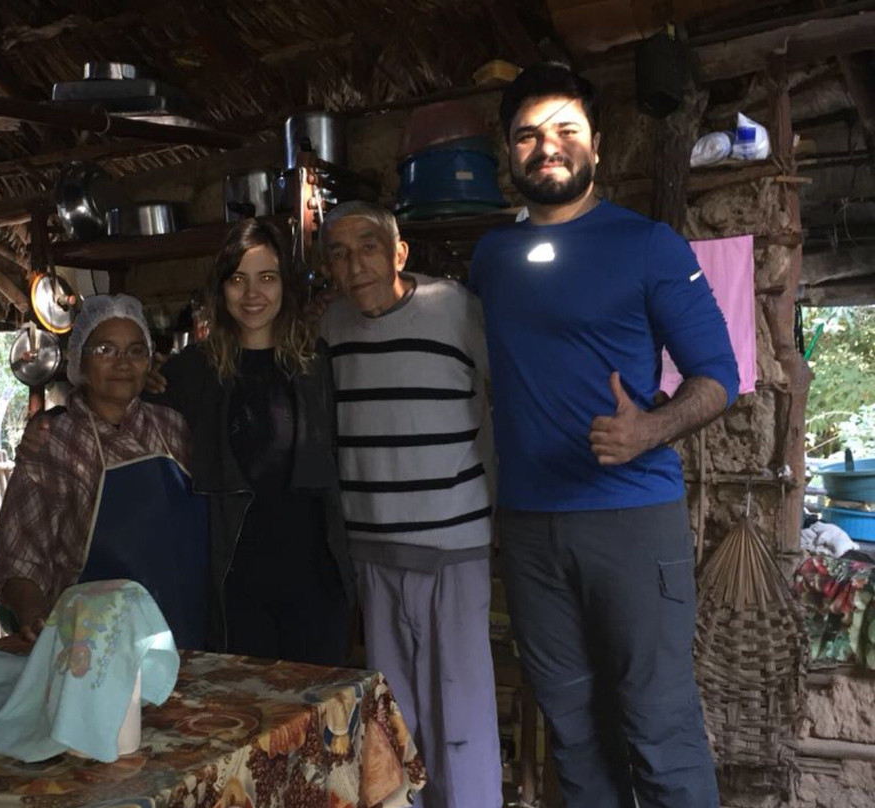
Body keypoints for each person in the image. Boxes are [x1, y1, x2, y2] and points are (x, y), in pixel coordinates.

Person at [469, 63, 739, 808]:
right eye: (527, 135)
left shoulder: (648, 245)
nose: (546, 147)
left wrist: (651, 428)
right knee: (572, 729)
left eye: (564, 131)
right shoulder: (491, 259)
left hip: (629, 519)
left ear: (597, 144)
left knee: (656, 722)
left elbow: (719, 377)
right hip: (528, 527)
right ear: (509, 152)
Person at [316, 200, 501, 808]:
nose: (355, 264)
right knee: (393, 718)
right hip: (373, 549)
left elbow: (505, 397)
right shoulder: (330, 327)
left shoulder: (455, 307)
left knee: (462, 714)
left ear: (400, 252)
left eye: (368, 246)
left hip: (454, 543)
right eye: (339, 253)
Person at [147, 218, 354, 665]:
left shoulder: (315, 365)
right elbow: (133, 420)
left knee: (316, 718)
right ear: (221, 290)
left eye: (267, 278)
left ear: (286, 285)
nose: (252, 293)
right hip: (234, 581)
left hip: (313, 576)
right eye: (238, 279)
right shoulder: (192, 372)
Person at [0, 294, 208, 648]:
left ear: (150, 360)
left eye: (135, 351)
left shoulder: (174, 426)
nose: (122, 363)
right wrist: (33, 616)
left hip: (186, 635)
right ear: (78, 362)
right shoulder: (52, 442)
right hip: (91, 648)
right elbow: (19, 558)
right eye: (105, 350)